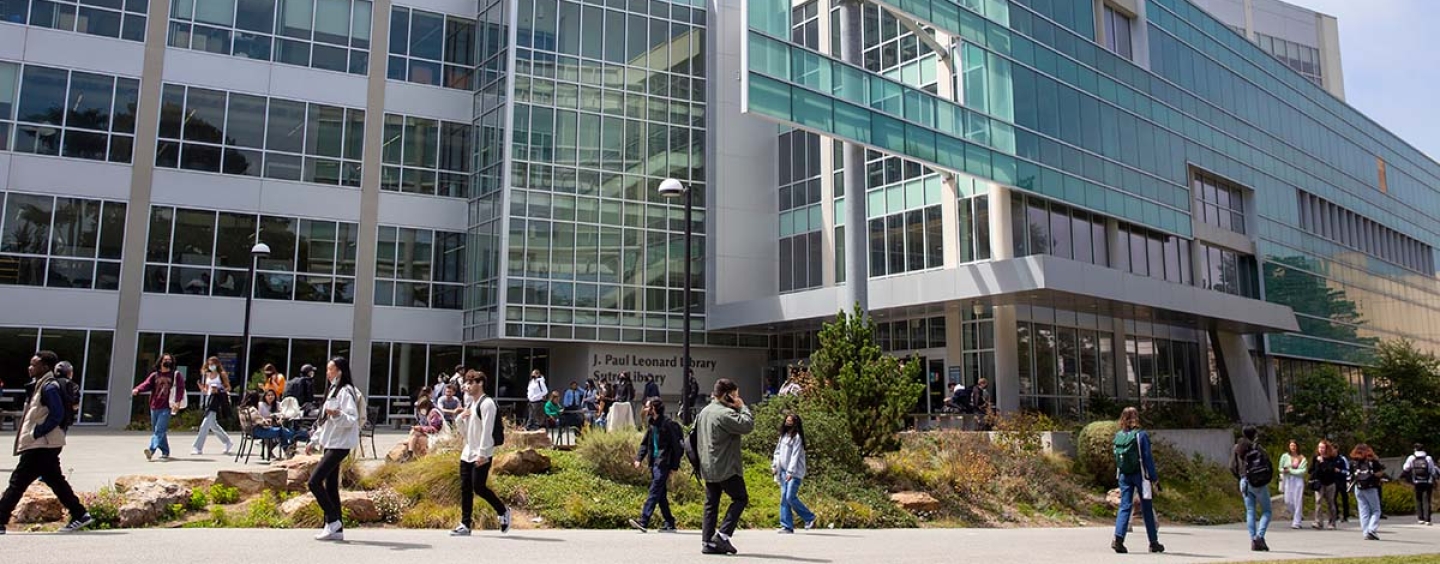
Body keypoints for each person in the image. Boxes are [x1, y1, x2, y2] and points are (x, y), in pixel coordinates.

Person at [0, 351, 95, 535]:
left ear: (44, 367)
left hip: (42, 444)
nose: (30, 367)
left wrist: (37, 432)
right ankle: (80, 514)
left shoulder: (49, 387)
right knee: (55, 480)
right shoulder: (40, 385)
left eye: (33, 364)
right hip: (45, 444)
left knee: (17, 482)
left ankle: (0, 519)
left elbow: (57, 414)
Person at [697, 378, 754, 555]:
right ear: (727, 395)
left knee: (711, 503)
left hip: (707, 465)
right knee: (740, 498)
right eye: (735, 395)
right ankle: (722, 536)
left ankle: (708, 542)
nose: (737, 398)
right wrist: (742, 407)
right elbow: (747, 425)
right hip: (726, 466)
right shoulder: (724, 414)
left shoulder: (704, 412)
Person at [451, 372, 511, 536]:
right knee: (465, 488)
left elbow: (487, 430)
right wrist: (459, 419)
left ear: (480, 383)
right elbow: (465, 433)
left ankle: (503, 511)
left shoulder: (487, 404)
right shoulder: (471, 404)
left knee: (479, 487)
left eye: (471, 383)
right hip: (468, 452)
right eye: (466, 383)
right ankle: (465, 524)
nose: (467, 386)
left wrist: (483, 453)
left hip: (481, 453)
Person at [309, 357, 361, 541]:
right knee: (331, 486)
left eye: (330, 369)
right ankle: (335, 529)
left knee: (313, 482)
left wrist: (338, 414)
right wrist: (314, 441)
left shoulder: (346, 391)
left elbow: (351, 419)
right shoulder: (333, 389)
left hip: (340, 444)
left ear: (339, 371)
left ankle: (333, 520)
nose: (328, 372)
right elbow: (324, 421)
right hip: (331, 442)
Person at [1111, 407, 1163, 554]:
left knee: (1125, 506)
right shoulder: (1141, 435)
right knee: (1146, 507)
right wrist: (1154, 478)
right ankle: (1153, 542)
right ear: (1136, 418)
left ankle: (1118, 539)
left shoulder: (1118, 436)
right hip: (1140, 475)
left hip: (1124, 474)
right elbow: (1147, 458)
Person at [629, 397, 682, 533]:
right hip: (653, 463)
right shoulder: (652, 424)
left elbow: (677, 447)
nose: (645, 409)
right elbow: (645, 443)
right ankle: (669, 521)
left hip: (663, 463)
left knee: (654, 490)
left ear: (654, 408)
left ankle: (644, 520)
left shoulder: (668, 424)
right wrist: (639, 458)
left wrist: (674, 467)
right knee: (661, 494)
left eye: (647, 406)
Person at [132, 353, 186, 461]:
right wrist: (137, 389)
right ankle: (165, 451)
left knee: (159, 430)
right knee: (158, 430)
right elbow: (146, 384)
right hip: (154, 405)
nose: (167, 361)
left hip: (167, 406)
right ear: (160, 362)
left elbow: (180, 389)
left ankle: (151, 450)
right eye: (165, 359)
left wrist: (177, 402)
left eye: (169, 360)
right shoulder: (155, 375)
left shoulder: (175, 375)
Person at [773, 412, 816, 534]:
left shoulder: (797, 438)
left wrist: (790, 471)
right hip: (782, 471)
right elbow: (777, 452)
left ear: (795, 423)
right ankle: (787, 526)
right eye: (787, 421)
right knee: (784, 499)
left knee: (790, 497)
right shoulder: (783, 436)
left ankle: (809, 517)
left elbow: (795, 456)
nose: (788, 423)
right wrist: (775, 466)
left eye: (790, 421)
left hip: (794, 472)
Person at [1231, 426, 1272, 551]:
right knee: (1267, 511)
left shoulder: (1237, 448)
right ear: (1254, 434)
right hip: (1258, 481)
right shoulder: (1257, 447)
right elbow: (1267, 462)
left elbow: (1232, 466)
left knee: (1250, 511)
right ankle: (1259, 537)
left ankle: (1253, 539)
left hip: (1244, 481)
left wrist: (1240, 477)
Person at [238, 391, 306, 457]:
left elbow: (256, 419)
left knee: (281, 432)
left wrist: (265, 420)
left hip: (250, 431)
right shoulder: (252, 409)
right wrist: (268, 421)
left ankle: (289, 450)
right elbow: (261, 422)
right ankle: (299, 438)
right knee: (282, 431)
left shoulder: (242, 409)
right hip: (257, 431)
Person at [191, 356, 234, 456]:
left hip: (217, 400)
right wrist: (202, 388)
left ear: (217, 364)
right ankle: (227, 441)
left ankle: (197, 447)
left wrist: (219, 389)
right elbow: (207, 390)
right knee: (213, 425)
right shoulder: (208, 375)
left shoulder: (221, 374)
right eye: (210, 364)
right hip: (209, 400)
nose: (211, 366)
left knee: (204, 424)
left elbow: (228, 387)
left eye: (213, 364)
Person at [1350, 443, 1386, 540]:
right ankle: (1371, 529)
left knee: (1363, 510)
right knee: (1376, 510)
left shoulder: (1354, 461)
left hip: (1358, 487)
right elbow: (1379, 472)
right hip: (1370, 487)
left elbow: (1351, 474)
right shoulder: (1371, 460)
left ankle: (1365, 532)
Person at [1403, 443, 1436, 525]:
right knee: (1427, 500)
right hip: (1428, 481)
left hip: (1417, 481)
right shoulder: (1428, 458)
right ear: (1423, 449)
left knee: (1418, 499)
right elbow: (1432, 470)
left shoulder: (1412, 457)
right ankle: (1427, 519)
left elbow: (1405, 468)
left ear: (1415, 449)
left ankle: (1420, 518)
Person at [1310, 440, 1340, 529]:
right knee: (1318, 501)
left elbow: (1330, 469)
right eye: (1319, 447)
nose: (1321, 449)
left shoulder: (1332, 458)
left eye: (1323, 447)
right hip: (1319, 482)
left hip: (1330, 483)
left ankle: (1332, 522)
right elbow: (1311, 469)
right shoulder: (1315, 457)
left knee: (1330, 502)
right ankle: (1318, 522)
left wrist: (1323, 462)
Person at [1279, 439, 1309, 529]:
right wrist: (1284, 470)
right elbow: (1280, 468)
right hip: (1288, 479)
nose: (1293, 447)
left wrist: (1291, 470)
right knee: (1288, 500)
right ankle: (1297, 514)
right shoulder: (1285, 456)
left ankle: (1296, 522)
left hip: (1298, 480)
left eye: (1294, 446)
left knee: (1298, 500)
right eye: (1291, 446)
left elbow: (1303, 471)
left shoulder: (1302, 458)